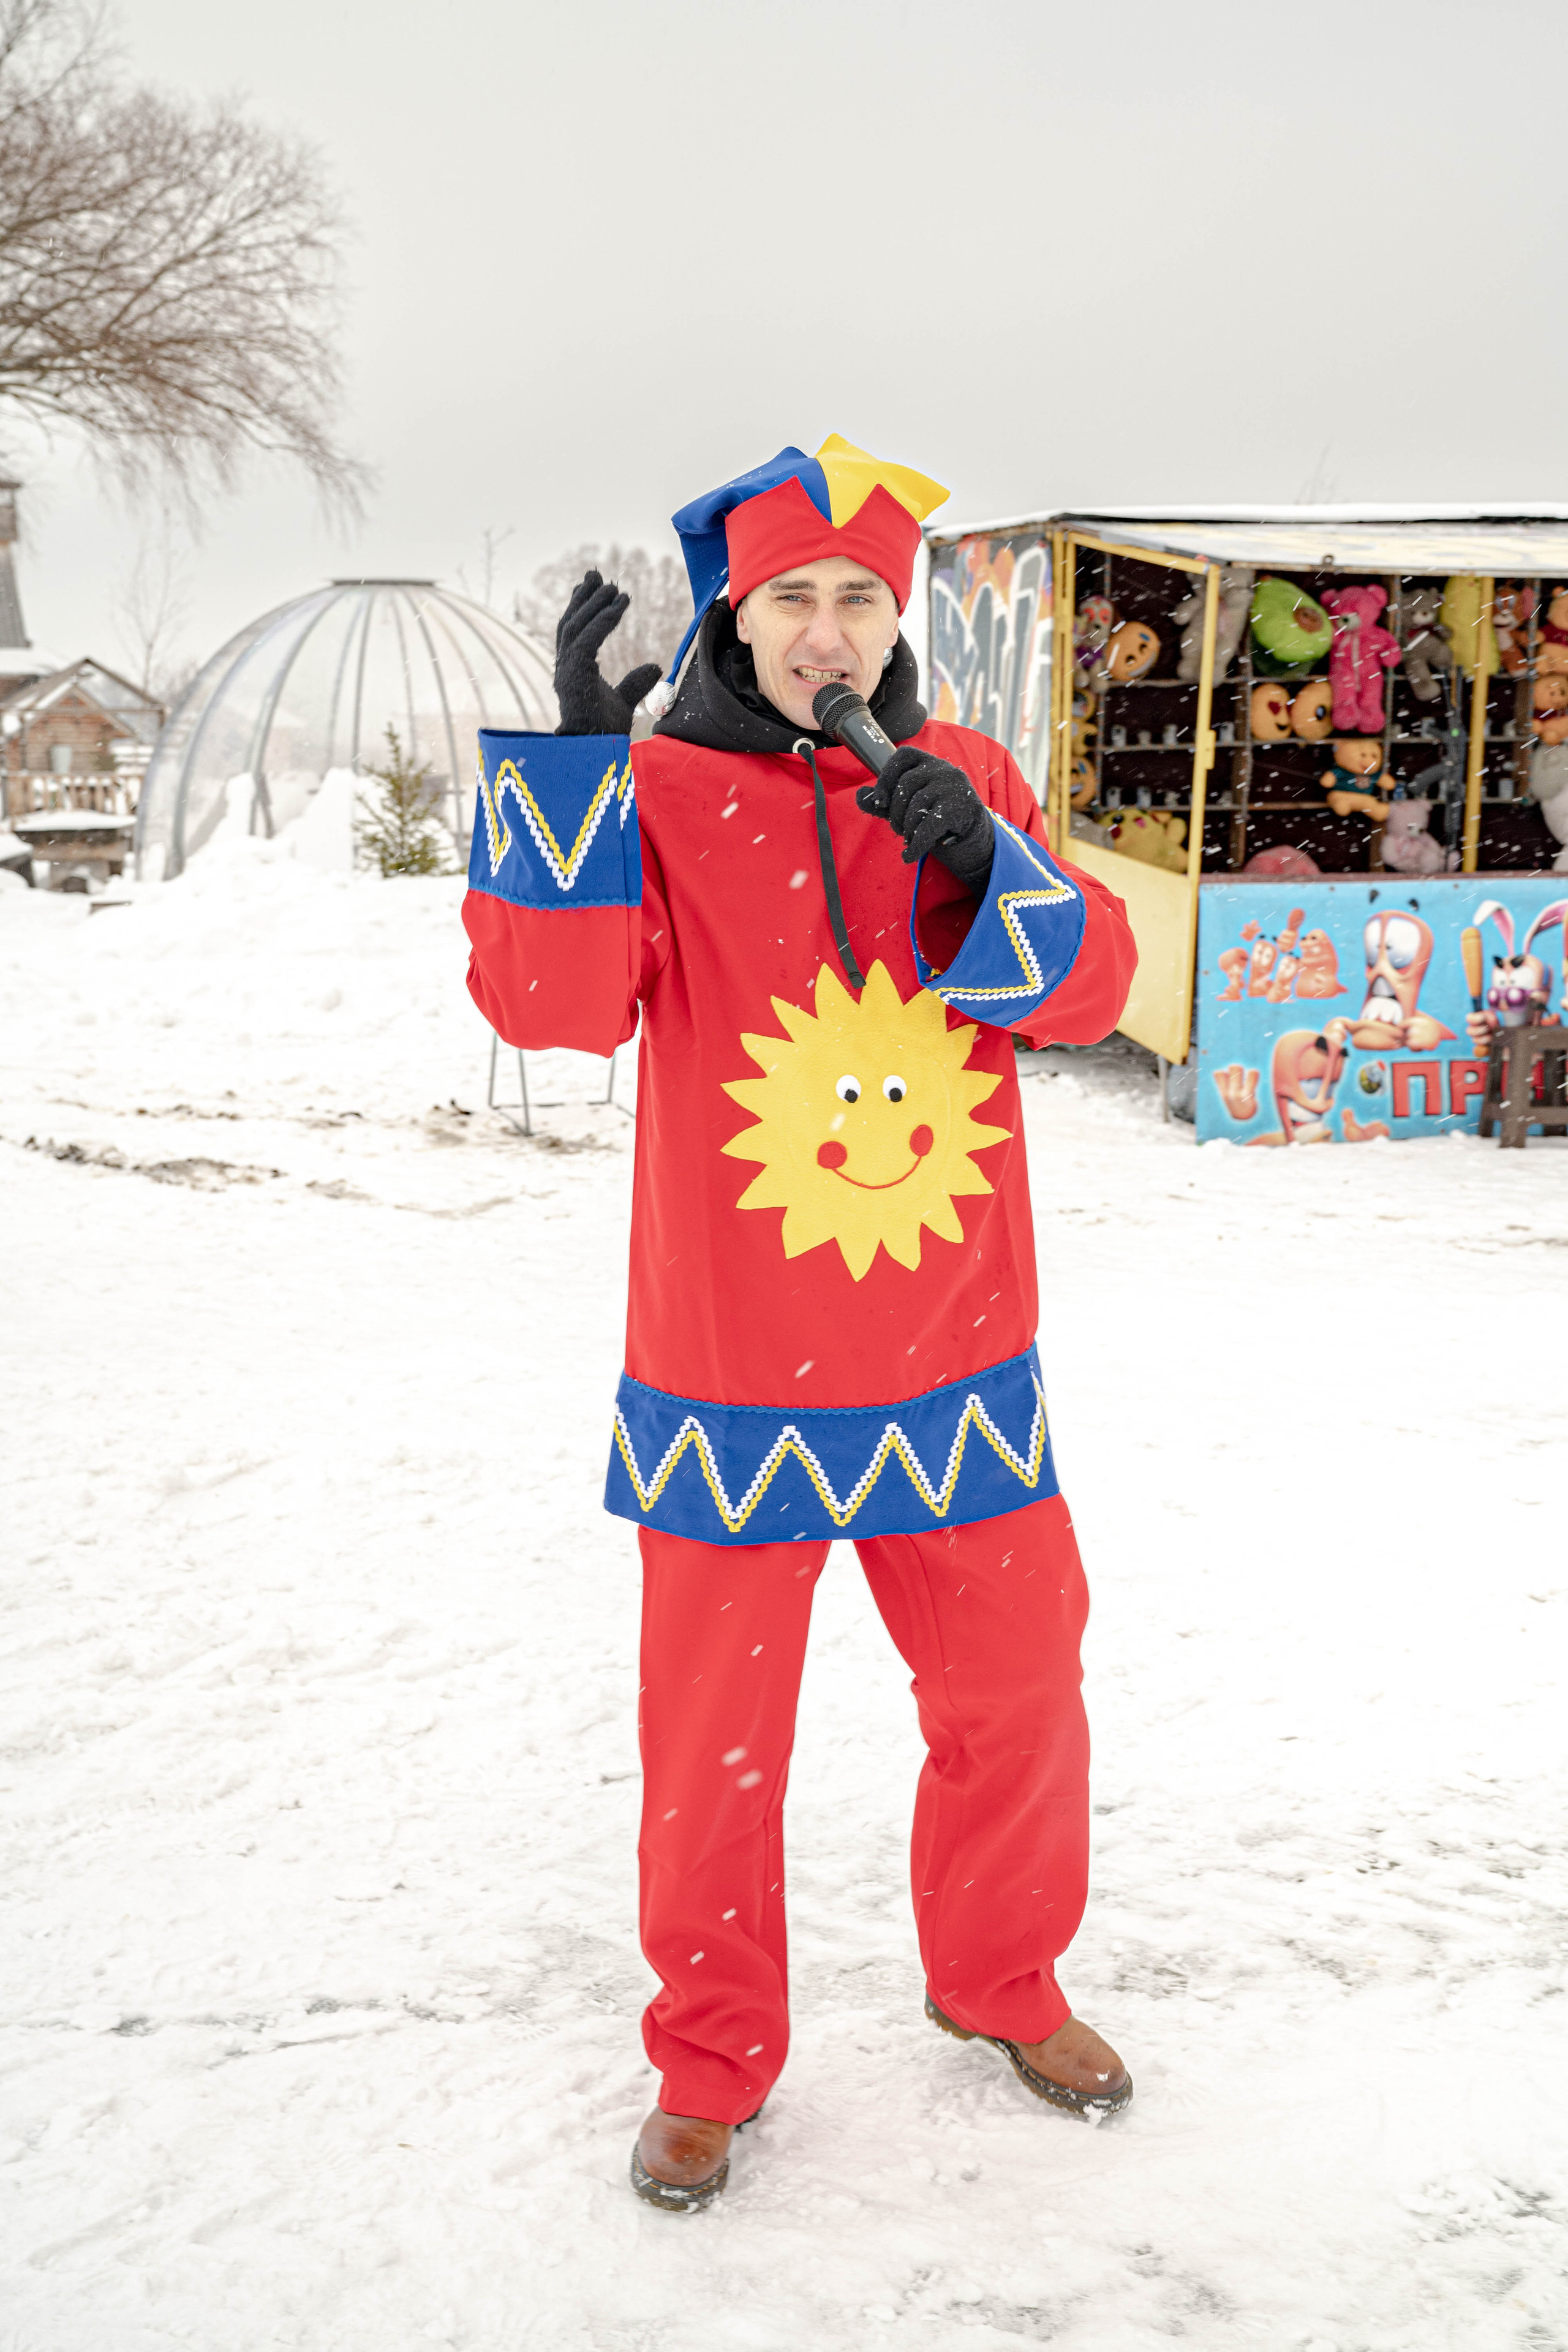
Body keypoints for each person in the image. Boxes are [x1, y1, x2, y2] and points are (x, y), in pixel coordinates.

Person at [463, 437, 1138, 2211]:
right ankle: (710, 2057)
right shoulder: (659, 790)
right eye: (792, 602)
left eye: (859, 599)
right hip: (730, 1376)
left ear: (894, 620)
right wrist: (573, 777)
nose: (828, 633)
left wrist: (982, 858)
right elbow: (546, 1010)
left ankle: (1004, 1979)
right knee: (712, 1751)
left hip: (957, 1364)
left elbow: (1092, 995)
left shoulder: (964, 773)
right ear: (737, 619)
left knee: (1020, 1692)